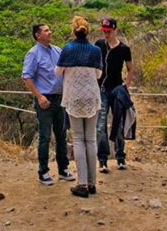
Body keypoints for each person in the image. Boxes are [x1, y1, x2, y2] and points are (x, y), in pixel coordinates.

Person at [22, 23, 75, 185]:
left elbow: (66, 71)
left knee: (61, 135)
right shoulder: (33, 53)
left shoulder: (58, 50)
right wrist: (39, 97)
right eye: (46, 30)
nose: (50, 32)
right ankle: (43, 171)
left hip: (60, 99)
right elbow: (26, 77)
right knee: (44, 136)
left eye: (49, 29)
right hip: (44, 100)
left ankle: (63, 169)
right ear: (38, 35)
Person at [56, 16, 103, 198]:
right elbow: (99, 75)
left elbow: (57, 72)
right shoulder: (95, 50)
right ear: (88, 30)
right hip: (92, 96)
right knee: (90, 139)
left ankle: (81, 183)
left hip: (74, 97)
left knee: (78, 139)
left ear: (73, 30)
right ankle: (92, 183)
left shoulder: (68, 49)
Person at [95, 17, 135, 172]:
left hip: (117, 88)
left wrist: (126, 85)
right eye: (104, 31)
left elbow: (131, 68)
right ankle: (103, 159)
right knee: (101, 125)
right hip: (102, 89)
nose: (106, 34)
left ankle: (120, 156)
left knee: (118, 123)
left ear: (115, 30)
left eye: (108, 31)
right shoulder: (99, 45)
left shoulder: (124, 49)